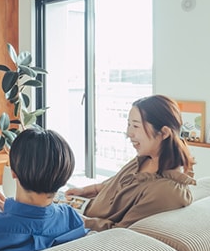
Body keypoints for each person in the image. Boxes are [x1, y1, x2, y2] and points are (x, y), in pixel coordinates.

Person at [65, 94, 196, 231]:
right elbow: (112, 185)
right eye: (129, 124)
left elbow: (122, 232)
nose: (129, 133)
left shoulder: (166, 190)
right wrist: (84, 191)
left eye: (136, 126)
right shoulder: (145, 158)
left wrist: (77, 221)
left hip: (86, 228)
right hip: (83, 211)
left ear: (164, 133)